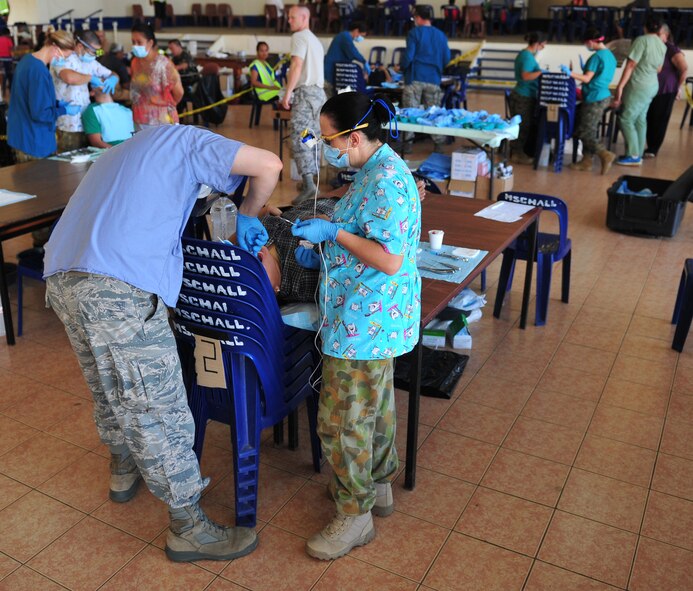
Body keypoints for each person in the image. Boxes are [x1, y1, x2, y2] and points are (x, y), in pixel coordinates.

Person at [42, 125, 281, 563]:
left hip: (61, 273)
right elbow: (268, 165)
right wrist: (249, 211)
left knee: (108, 383)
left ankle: (122, 469)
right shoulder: (191, 142)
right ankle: (188, 527)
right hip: (116, 287)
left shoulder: (122, 152)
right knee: (157, 405)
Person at [290, 92, 421, 561]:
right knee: (375, 407)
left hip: (363, 322)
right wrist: (326, 245)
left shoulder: (386, 180)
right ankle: (378, 488)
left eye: (328, 139)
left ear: (356, 136)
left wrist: (333, 234)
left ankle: (355, 514)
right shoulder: (371, 171)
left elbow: (388, 259)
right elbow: (365, 235)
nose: (326, 147)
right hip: (369, 317)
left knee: (342, 419)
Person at [7, 30, 80, 162]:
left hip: (21, 136)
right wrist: (64, 110)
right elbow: (40, 114)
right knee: (39, 182)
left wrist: (55, 103)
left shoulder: (27, 60)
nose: (62, 61)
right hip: (34, 141)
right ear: (55, 48)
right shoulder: (39, 71)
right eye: (64, 56)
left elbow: (29, 96)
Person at [280, 5, 326, 205]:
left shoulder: (298, 37)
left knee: (300, 136)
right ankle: (310, 179)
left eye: (292, 17)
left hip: (305, 94)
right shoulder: (314, 39)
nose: (288, 20)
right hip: (319, 95)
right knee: (311, 136)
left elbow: (297, 65)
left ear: (304, 17)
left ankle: (308, 183)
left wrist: (288, 92)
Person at [51, 30, 118, 153]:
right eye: (92, 51)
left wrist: (113, 78)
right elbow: (69, 77)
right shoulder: (62, 58)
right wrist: (91, 78)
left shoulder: (90, 62)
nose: (94, 55)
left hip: (86, 123)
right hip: (67, 124)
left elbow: (112, 73)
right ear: (80, 46)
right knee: (68, 163)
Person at [613, 16, 666, 166]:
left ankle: (633, 155)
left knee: (625, 118)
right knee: (640, 119)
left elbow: (630, 65)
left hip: (638, 85)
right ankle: (638, 153)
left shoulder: (641, 41)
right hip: (652, 85)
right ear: (659, 30)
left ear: (645, 27)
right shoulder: (662, 44)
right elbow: (659, 69)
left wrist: (620, 86)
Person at [564, 28, 617, 174]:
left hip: (595, 97)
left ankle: (605, 155)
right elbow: (598, 74)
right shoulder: (610, 55)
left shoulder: (596, 57)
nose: (586, 46)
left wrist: (570, 73)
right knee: (586, 128)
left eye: (586, 43)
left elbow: (587, 78)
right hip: (602, 95)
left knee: (586, 132)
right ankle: (586, 161)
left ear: (591, 41)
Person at [400, 4, 451, 153]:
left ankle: (407, 145)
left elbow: (408, 56)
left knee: (410, 112)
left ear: (418, 18)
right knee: (433, 113)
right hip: (434, 79)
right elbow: (447, 58)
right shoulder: (441, 35)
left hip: (415, 78)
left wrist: (401, 67)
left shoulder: (414, 33)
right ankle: (439, 145)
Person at [644, 24, 688, 158]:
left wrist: (677, 88)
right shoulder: (652, 47)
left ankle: (653, 148)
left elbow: (684, 69)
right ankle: (647, 144)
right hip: (650, 88)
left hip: (666, 89)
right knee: (649, 117)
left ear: (665, 35)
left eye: (658, 35)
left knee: (659, 119)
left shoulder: (671, 49)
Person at [130, 22, 183, 129]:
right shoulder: (135, 62)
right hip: (140, 119)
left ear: (150, 43)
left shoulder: (163, 64)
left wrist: (165, 104)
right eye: (133, 42)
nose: (135, 46)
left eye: (139, 42)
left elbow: (179, 92)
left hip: (162, 121)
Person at [508, 31, 546, 165]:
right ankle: (517, 154)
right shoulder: (526, 56)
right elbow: (525, 76)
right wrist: (541, 72)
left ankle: (518, 152)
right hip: (523, 96)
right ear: (536, 43)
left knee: (524, 125)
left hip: (525, 94)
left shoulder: (526, 55)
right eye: (542, 46)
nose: (543, 48)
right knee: (522, 126)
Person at [323, 22, 369, 98]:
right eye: (361, 35)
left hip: (334, 71)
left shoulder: (345, 36)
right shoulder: (345, 37)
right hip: (330, 71)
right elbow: (353, 52)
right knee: (329, 98)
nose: (360, 38)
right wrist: (364, 61)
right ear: (356, 31)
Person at [168, 39, 198, 116]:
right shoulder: (174, 58)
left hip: (190, 84)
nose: (171, 51)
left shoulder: (186, 56)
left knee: (176, 92)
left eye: (172, 48)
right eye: (170, 49)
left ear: (179, 47)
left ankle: (178, 116)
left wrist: (173, 68)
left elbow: (183, 65)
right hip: (180, 82)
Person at [0, 26, 13, 96]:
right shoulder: (8, 40)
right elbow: (11, 49)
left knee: (2, 76)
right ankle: (11, 91)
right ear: (7, 33)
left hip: (0, 60)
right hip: (7, 59)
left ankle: (3, 92)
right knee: (9, 75)